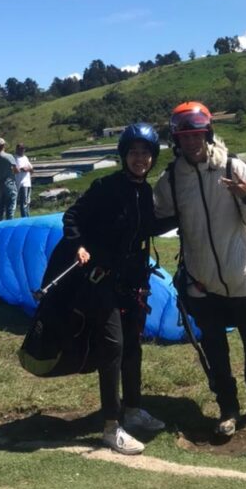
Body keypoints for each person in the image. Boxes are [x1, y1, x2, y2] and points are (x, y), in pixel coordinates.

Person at [41, 123, 173, 455]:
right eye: (134, 153)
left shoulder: (144, 192)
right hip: (100, 281)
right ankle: (111, 427)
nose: (140, 159)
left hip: (131, 281)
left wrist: (181, 217)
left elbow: (148, 227)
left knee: (132, 346)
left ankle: (133, 410)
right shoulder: (105, 187)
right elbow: (72, 217)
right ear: (124, 156)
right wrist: (78, 246)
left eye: (145, 154)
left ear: (152, 158)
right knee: (112, 348)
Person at [153, 101, 246, 439]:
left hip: (242, 277)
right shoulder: (170, 180)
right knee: (215, 350)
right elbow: (157, 215)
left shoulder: (233, 167)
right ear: (176, 140)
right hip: (201, 281)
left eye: (197, 135)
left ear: (207, 134)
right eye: (185, 136)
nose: (192, 142)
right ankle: (228, 410)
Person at [0, 137, 19, 221]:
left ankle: (0, 226)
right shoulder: (8, 156)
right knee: (10, 207)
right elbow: (17, 170)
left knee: (0, 208)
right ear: (3, 145)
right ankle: (9, 225)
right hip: (9, 184)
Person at [14, 143, 33, 217]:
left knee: (28, 201)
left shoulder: (25, 157)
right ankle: (24, 217)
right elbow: (14, 169)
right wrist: (22, 168)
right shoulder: (15, 158)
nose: (22, 150)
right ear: (17, 149)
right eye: (20, 148)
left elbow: (31, 168)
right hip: (21, 182)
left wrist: (27, 169)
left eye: (23, 148)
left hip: (28, 182)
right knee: (23, 201)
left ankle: (27, 216)